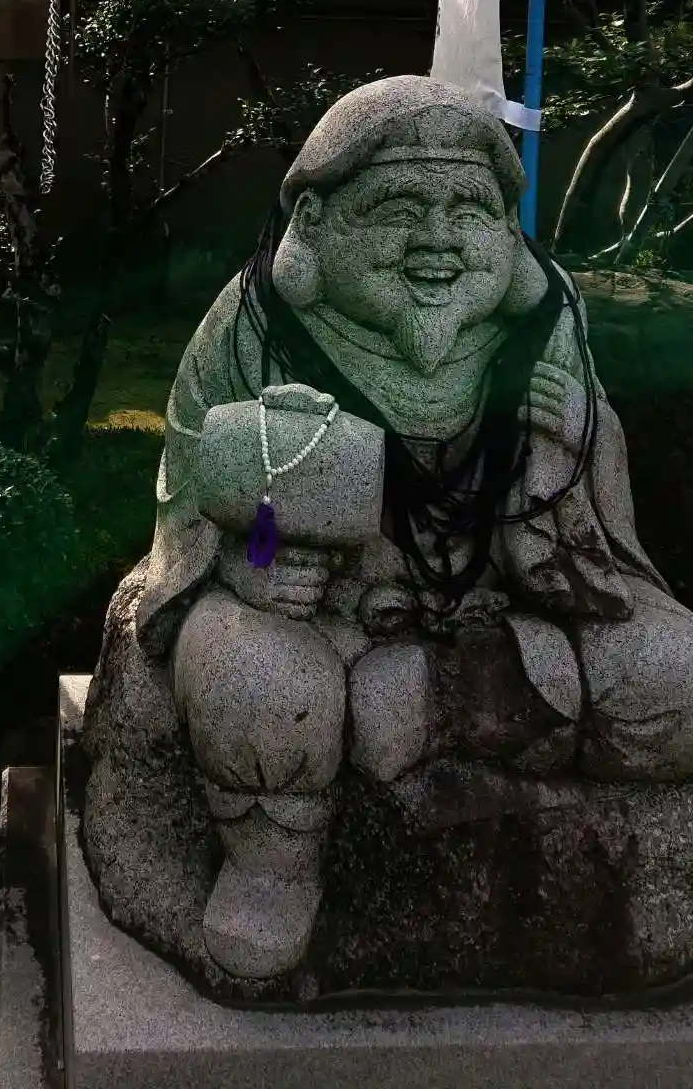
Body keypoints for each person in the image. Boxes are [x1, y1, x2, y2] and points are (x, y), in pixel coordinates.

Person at [135, 76, 693, 980]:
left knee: (675, 675)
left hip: (507, 603)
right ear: (314, 220)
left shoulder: (543, 320)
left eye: (468, 210)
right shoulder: (258, 323)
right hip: (328, 618)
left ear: (506, 230)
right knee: (262, 687)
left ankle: (433, 703)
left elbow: (598, 524)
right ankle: (273, 865)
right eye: (399, 208)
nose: (438, 238)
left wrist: (576, 438)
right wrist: (251, 564)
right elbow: (201, 486)